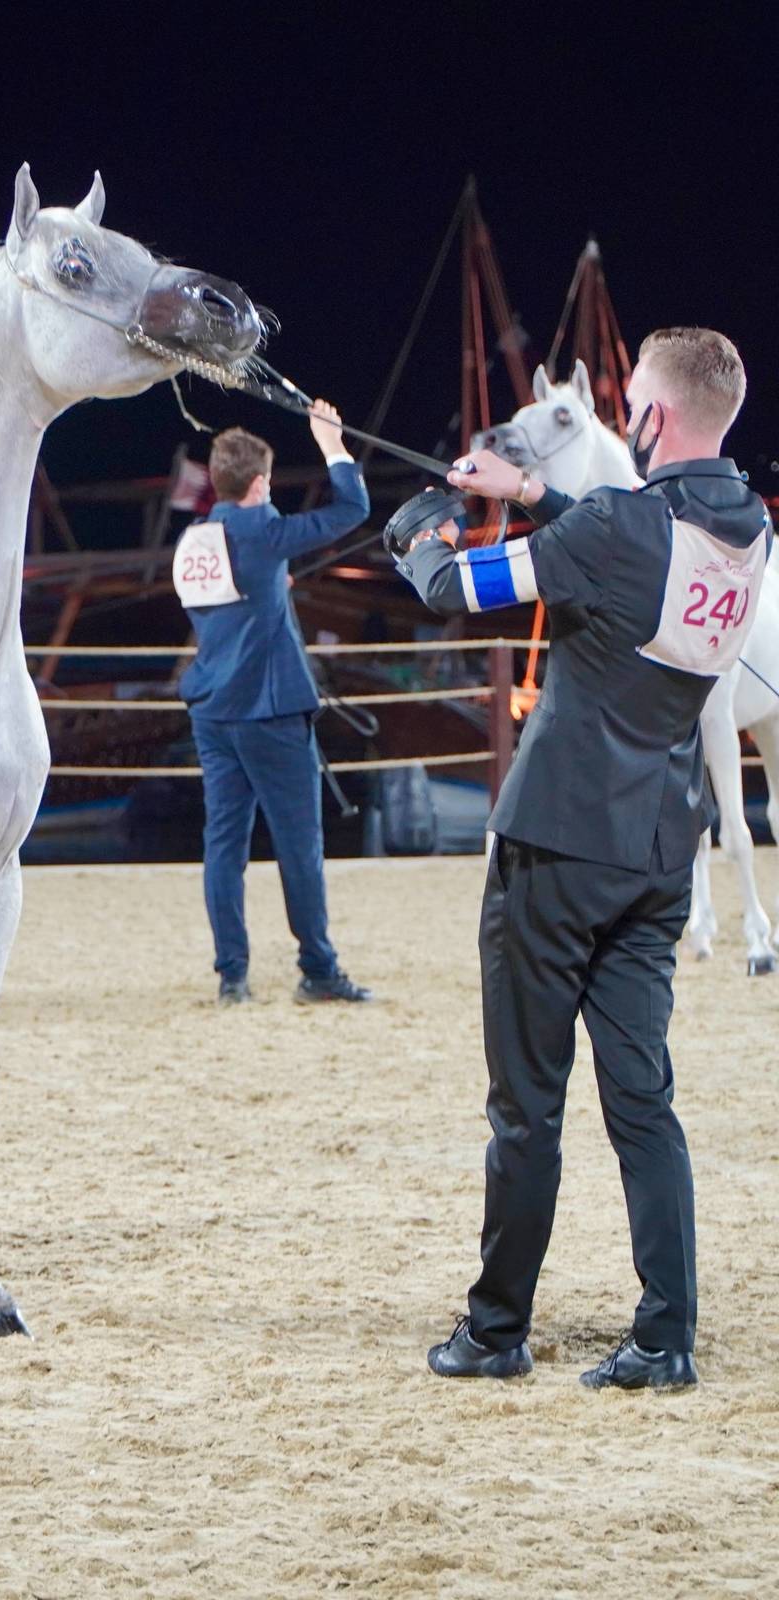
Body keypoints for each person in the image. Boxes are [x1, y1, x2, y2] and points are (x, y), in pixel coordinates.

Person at [392, 328, 771, 1389]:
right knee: (641, 1100)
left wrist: (419, 535)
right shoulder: (745, 532)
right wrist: (526, 491)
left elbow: (452, 590)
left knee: (526, 1103)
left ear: (649, 417)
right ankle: (664, 1335)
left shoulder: (615, 527)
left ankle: (495, 1328)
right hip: (657, 847)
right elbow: (641, 550)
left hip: (557, 842)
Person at [172, 404, 373, 1005]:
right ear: (260, 484)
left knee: (223, 844)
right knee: (298, 845)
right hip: (271, 711)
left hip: (212, 708)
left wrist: (268, 581)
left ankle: (232, 974)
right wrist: (331, 443)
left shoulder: (193, 540)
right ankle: (317, 968)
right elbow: (352, 509)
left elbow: (224, 602)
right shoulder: (262, 532)